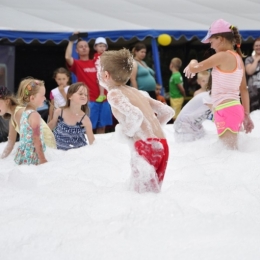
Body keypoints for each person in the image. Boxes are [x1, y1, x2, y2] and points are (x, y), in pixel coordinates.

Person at [97, 49, 174, 193]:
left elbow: (135, 116)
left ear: (106, 75)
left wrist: (127, 132)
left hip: (146, 147)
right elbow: (167, 111)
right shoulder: (136, 92)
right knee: (153, 194)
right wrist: (152, 127)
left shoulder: (114, 93)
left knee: (141, 196)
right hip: (162, 145)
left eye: (98, 71)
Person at [184, 18, 254, 149]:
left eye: (212, 40)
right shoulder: (238, 58)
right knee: (229, 153)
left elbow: (195, 68)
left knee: (229, 155)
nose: (210, 44)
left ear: (221, 38)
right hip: (233, 108)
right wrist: (246, 115)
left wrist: (192, 61)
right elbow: (243, 89)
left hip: (226, 109)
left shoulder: (222, 56)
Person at [65, 33, 112, 134]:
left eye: (86, 46)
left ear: (90, 49)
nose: (84, 48)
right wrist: (71, 41)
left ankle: (99, 149)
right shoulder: (77, 64)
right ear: (76, 50)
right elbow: (67, 57)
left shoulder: (97, 61)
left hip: (103, 99)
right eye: (80, 47)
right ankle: (88, 149)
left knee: (102, 128)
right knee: (87, 128)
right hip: (88, 101)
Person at [0, 83, 56, 159]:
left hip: (47, 149)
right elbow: (10, 144)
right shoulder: (13, 118)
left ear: (7, 101)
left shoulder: (19, 113)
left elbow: (28, 140)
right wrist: (2, 159)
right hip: (42, 149)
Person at [48, 82, 95, 150]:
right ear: (70, 96)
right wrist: (37, 134)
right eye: (80, 94)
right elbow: (51, 125)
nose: (84, 96)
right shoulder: (59, 112)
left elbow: (92, 141)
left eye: (86, 95)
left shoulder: (85, 119)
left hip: (76, 154)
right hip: (58, 152)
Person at [14, 79, 47, 165]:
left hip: (23, 155)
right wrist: (43, 159)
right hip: (33, 157)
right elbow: (36, 139)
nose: (45, 98)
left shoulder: (25, 112)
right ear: (32, 98)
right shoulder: (34, 115)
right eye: (43, 95)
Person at [174, 75, 213, 142]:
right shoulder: (209, 98)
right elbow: (219, 115)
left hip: (194, 125)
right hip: (184, 124)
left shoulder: (209, 96)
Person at [245, 37, 260, 112]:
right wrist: (256, 60)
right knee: (254, 113)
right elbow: (249, 71)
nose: (258, 47)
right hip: (253, 93)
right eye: (256, 45)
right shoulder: (249, 59)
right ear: (253, 47)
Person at [93, 37, 108, 103]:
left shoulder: (106, 55)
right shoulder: (95, 55)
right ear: (96, 47)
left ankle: (102, 94)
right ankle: (102, 94)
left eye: (104, 46)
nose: (102, 48)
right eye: (100, 46)